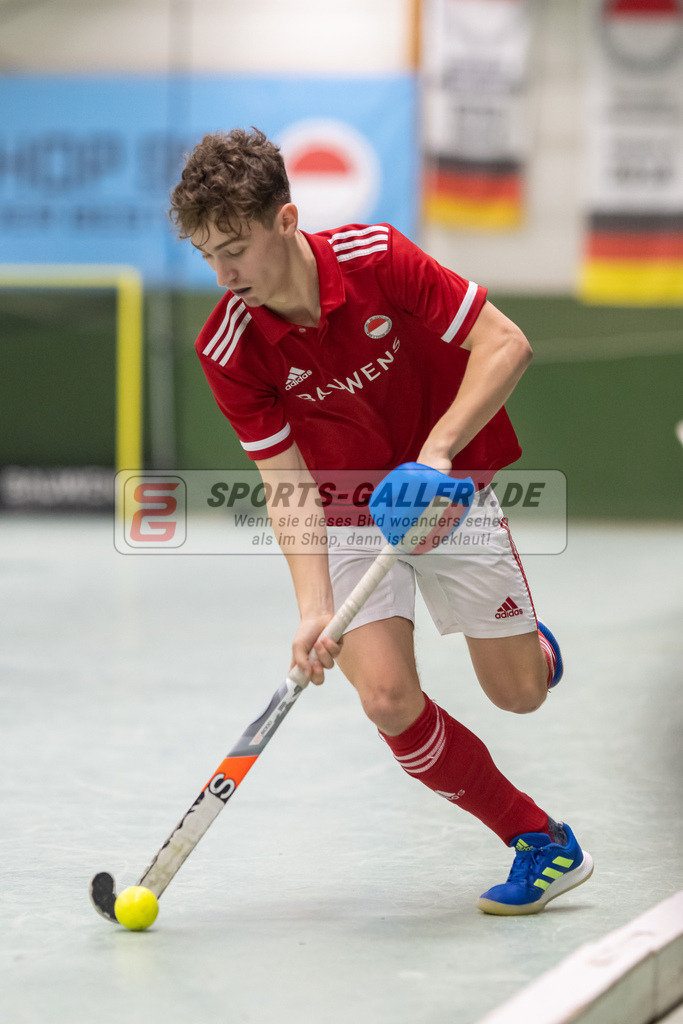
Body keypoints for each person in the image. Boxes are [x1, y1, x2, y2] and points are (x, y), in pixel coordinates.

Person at [169, 127, 593, 915]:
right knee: (388, 700)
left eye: (234, 249)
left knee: (519, 695)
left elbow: (506, 344)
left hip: (445, 490)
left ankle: (531, 649)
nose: (223, 275)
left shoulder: (376, 259)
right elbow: (284, 483)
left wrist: (436, 454)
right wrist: (312, 609)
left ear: (285, 221)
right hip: (347, 516)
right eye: (206, 256)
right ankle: (539, 840)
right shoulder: (229, 347)